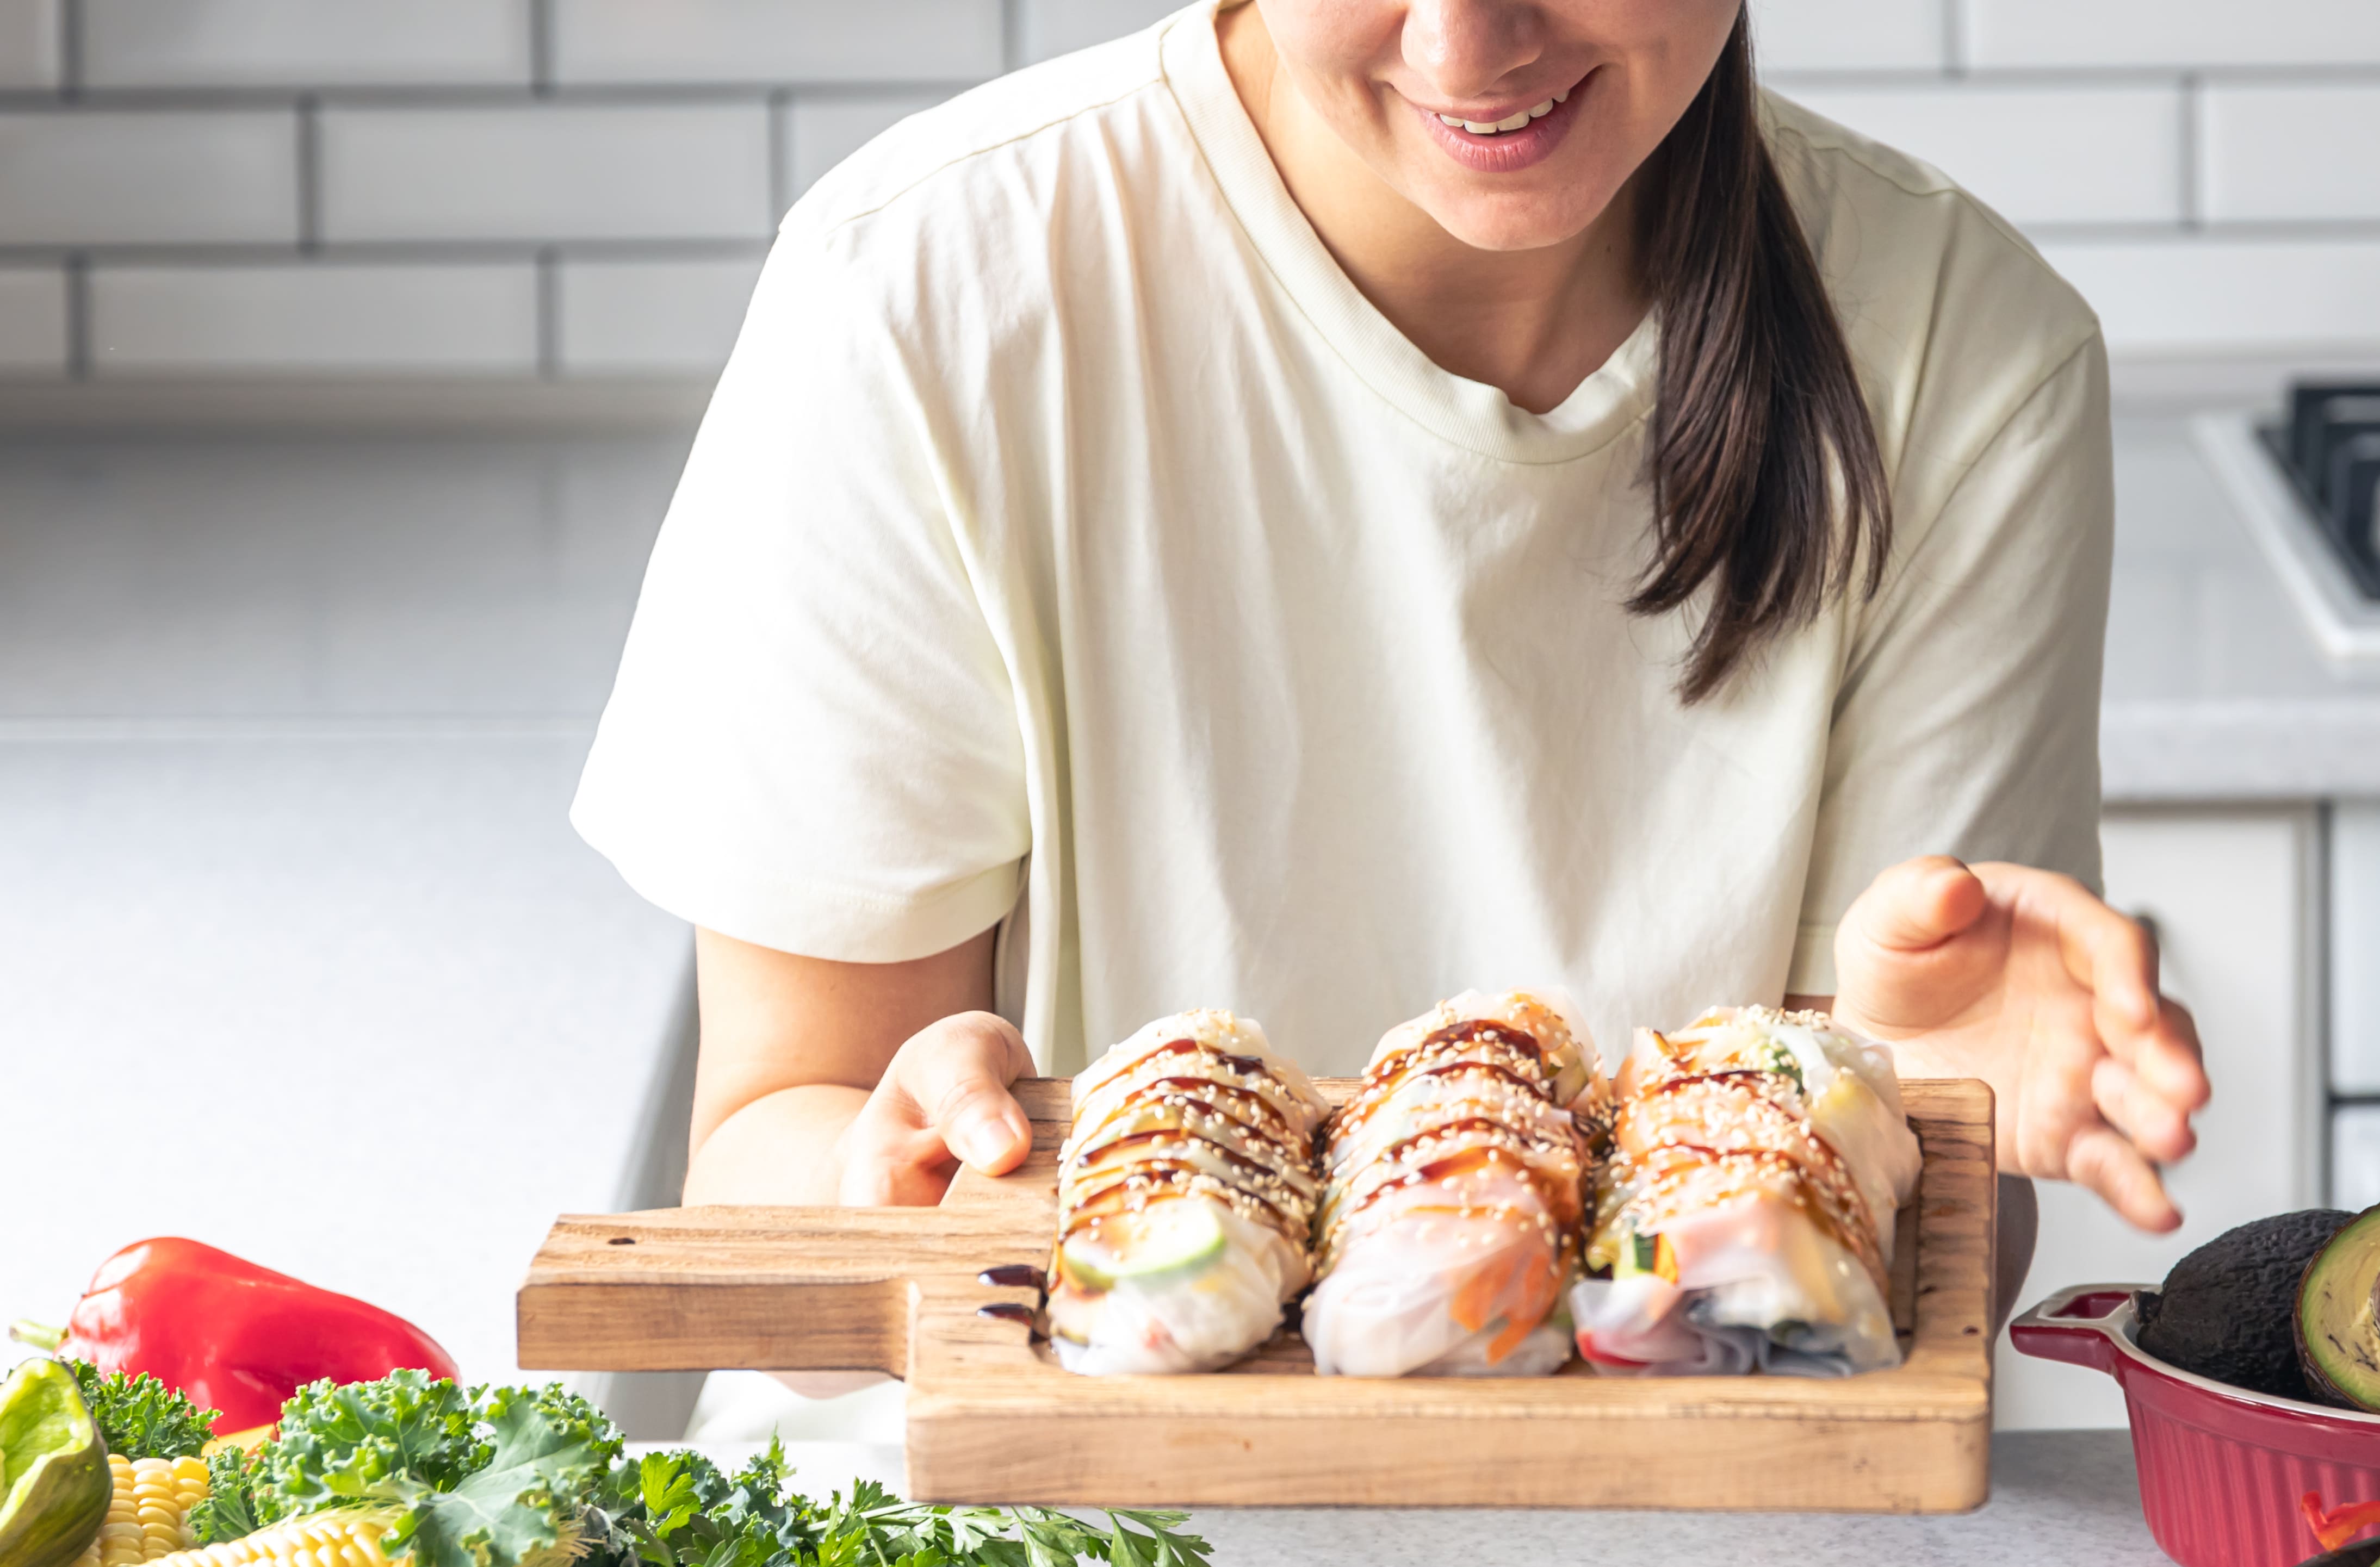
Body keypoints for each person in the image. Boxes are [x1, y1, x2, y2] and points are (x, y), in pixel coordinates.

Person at [570, 0, 2209, 1432]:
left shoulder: (1958, 349)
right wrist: (890, 1183)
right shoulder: (929, 292)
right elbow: (764, 1164)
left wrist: (1913, 1116)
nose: (1466, 46)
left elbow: (1852, 1308)